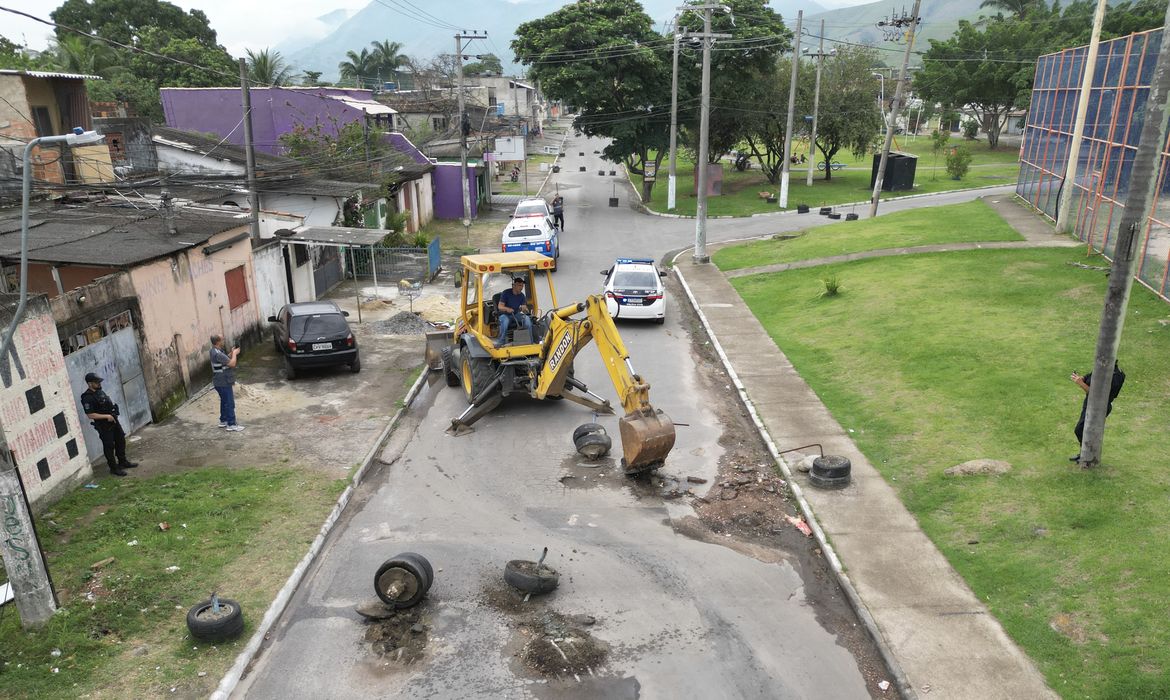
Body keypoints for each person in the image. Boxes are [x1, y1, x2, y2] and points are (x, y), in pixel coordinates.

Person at [80, 373, 138, 477]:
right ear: (89, 384)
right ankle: (114, 468)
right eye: (96, 382)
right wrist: (106, 416)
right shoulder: (87, 397)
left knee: (120, 440)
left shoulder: (100, 391)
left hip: (113, 420)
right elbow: (90, 414)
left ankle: (123, 462)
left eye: (99, 382)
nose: (99, 384)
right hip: (103, 425)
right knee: (109, 446)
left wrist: (114, 411)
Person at [1069, 360, 1125, 461]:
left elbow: (1096, 394)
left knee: (1082, 430)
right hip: (1089, 404)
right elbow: (1089, 377)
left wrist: (1080, 383)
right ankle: (1084, 454)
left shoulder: (1114, 377)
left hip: (1099, 408)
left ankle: (1089, 455)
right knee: (1082, 430)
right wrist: (1081, 378)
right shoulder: (1102, 369)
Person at [210, 334, 244, 432]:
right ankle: (231, 424)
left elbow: (225, 359)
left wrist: (231, 353)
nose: (224, 340)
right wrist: (235, 354)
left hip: (219, 381)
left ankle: (223, 420)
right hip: (223, 381)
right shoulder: (218, 354)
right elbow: (232, 364)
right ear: (218, 342)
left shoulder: (214, 351)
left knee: (224, 401)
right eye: (222, 339)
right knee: (229, 403)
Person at [495, 277, 532, 348]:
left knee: (527, 319)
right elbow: (500, 307)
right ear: (514, 285)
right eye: (519, 285)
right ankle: (501, 342)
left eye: (522, 286)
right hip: (504, 315)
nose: (521, 288)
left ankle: (529, 341)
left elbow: (524, 307)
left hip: (515, 314)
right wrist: (507, 309)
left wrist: (524, 309)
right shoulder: (506, 293)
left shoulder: (522, 296)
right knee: (505, 321)